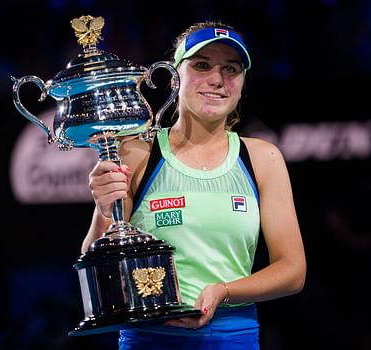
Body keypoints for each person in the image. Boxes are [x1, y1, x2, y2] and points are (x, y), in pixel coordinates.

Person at [81, 20, 306, 350]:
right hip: (148, 340)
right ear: (174, 76)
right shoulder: (137, 152)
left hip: (234, 338)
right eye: (202, 65)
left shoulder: (262, 158)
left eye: (231, 69)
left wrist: (224, 291)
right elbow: (96, 262)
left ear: (243, 83)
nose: (217, 80)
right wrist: (104, 210)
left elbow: (293, 271)